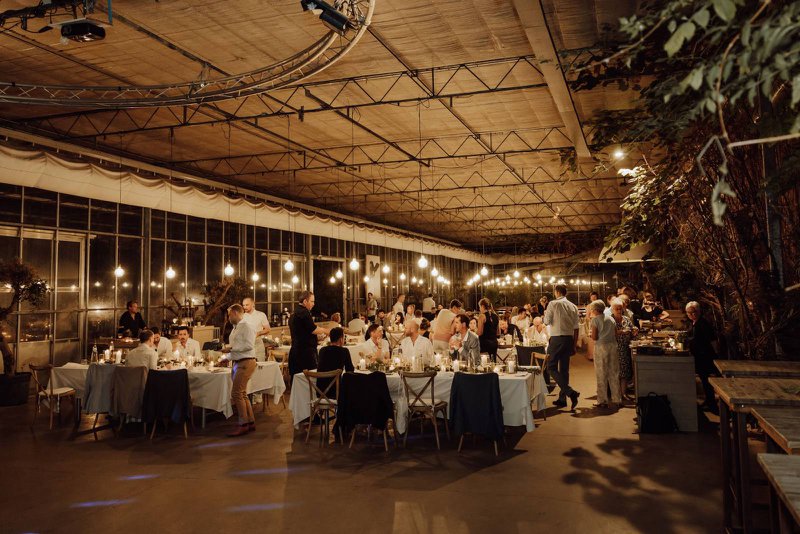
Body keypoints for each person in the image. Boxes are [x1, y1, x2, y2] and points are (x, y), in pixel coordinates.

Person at [220, 304, 257, 437]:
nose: (228, 317)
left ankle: (243, 424)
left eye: (229, 314)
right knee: (242, 393)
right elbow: (237, 347)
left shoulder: (246, 326)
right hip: (239, 361)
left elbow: (248, 345)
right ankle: (250, 422)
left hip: (246, 362)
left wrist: (230, 349)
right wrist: (226, 358)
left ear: (235, 313)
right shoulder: (236, 328)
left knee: (236, 393)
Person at [543, 284, 580, 410]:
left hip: (557, 339)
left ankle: (570, 392)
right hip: (569, 339)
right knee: (564, 370)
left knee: (550, 367)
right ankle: (562, 399)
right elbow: (576, 328)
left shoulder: (553, 304)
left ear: (557, 292)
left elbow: (546, 321)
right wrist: (574, 345)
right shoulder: (573, 306)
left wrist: (545, 311)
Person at [288, 291, 330, 379]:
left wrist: (317, 337)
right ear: (305, 301)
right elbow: (313, 329)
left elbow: (303, 332)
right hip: (305, 354)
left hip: (294, 352)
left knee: (296, 380)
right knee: (310, 379)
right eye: (312, 301)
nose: (313, 304)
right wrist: (327, 331)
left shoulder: (294, 313)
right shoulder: (304, 312)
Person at [686, 301, 718, 413]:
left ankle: (712, 405)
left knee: (706, 380)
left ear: (699, 311)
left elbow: (712, 340)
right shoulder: (694, 322)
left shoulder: (703, 323)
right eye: (689, 312)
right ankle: (709, 401)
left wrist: (716, 353)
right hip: (699, 355)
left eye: (693, 312)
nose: (691, 314)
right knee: (704, 380)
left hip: (704, 355)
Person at [588, 300, 621, 408]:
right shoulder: (611, 318)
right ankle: (617, 399)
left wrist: (590, 334)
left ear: (595, 310)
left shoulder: (595, 320)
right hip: (613, 346)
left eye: (592, 309)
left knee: (601, 373)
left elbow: (594, 337)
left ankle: (602, 400)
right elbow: (616, 334)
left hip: (601, 347)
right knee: (614, 373)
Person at [317, 327, 354, 397]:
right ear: (341, 339)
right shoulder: (344, 351)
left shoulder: (322, 350)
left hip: (320, 391)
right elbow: (350, 371)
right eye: (344, 337)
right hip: (336, 392)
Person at [610, 298, 635, 401]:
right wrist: (621, 332)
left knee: (624, 372)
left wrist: (634, 330)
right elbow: (608, 333)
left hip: (625, 349)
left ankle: (623, 393)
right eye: (617, 309)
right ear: (612, 309)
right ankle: (616, 395)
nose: (619, 311)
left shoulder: (626, 319)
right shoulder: (610, 320)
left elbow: (632, 330)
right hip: (614, 349)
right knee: (615, 372)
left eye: (620, 309)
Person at [241, 297, 271, 362]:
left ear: (253, 304)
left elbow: (268, 329)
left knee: (260, 365)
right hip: (246, 346)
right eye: (243, 305)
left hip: (258, 345)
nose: (245, 307)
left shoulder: (261, 315)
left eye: (247, 305)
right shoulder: (242, 316)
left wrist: (259, 333)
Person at [477, 298, 499, 362]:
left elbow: (480, 333)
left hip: (484, 343)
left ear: (482, 306)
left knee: (484, 362)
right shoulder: (496, 316)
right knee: (493, 361)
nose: (479, 309)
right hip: (494, 343)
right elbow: (498, 332)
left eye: (479, 307)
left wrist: (474, 332)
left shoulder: (482, 316)